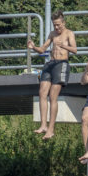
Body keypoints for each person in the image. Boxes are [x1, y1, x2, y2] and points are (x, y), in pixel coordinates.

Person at [27, 10, 77, 140]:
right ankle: (43, 125)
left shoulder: (69, 34)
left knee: (52, 97)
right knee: (42, 93)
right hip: (50, 64)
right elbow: (42, 49)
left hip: (61, 64)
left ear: (63, 23)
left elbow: (75, 50)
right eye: (54, 25)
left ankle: (51, 129)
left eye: (58, 25)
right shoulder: (52, 34)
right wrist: (33, 47)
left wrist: (64, 46)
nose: (56, 27)